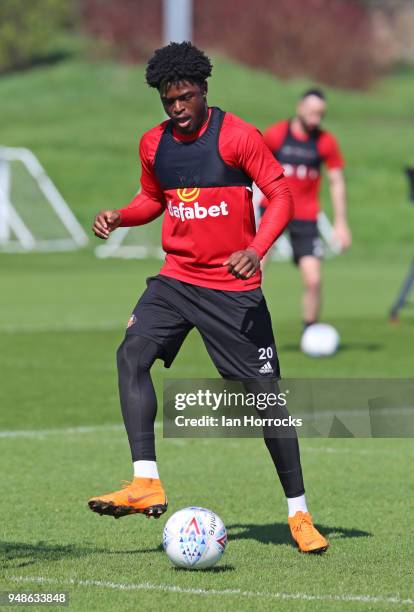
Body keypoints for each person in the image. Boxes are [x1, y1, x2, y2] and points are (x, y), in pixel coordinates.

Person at [89, 42, 328, 553]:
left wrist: (256, 249)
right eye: (167, 99)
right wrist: (120, 216)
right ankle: (146, 481)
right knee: (131, 355)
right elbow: (153, 198)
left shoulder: (239, 137)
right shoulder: (154, 144)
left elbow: (281, 196)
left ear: (203, 90)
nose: (177, 107)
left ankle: (299, 514)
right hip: (176, 281)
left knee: (266, 404)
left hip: (232, 292)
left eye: (185, 97)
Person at [260, 89, 351, 336]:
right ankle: (246, 329)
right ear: (300, 107)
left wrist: (341, 223)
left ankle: (310, 331)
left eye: (320, 114)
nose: (315, 119)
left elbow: (336, 180)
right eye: (312, 112)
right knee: (254, 271)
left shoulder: (325, 141)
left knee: (314, 280)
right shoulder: (276, 135)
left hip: (306, 216)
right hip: (272, 210)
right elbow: (254, 167)